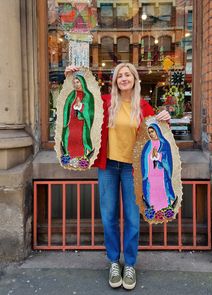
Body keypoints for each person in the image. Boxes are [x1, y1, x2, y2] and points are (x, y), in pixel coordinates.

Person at [65, 63, 170, 290]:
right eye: (119, 75)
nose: (123, 78)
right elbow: (80, 101)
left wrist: (165, 118)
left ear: (134, 79)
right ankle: (114, 262)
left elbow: (158, 134)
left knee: (133, 218)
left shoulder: (143, 107)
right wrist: (72, 77)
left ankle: (129, 264)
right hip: (108, 167)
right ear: (114, 80)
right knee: (108, 216)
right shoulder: (104, 102)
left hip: (133, 170)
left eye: (127, 75)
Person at [141, 123, 175, 213]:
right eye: (149, 132)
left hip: (161, 174)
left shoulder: (164, 144)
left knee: (162, 191)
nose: (151, 134)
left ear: (157, 131)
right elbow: (143, 157)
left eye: (152, 131)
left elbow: (168, 159)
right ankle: (152, 211)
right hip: (151, 174)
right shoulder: (148, 144)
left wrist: (159, 155)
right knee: (151, 192)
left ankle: (164, 210)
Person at [61, 73, 94, 162]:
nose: (76, 84)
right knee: (70, 139)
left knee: (80, 140)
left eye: (78, 82)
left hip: (81, 124)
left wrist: (81, 107)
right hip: (71, 123)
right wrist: (66, 121)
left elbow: (90, 110)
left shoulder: (88, 95)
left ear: (82, 83)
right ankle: (69, 158)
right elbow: (66, 108)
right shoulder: (71, 95)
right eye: (74, 83)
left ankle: (81, 159)